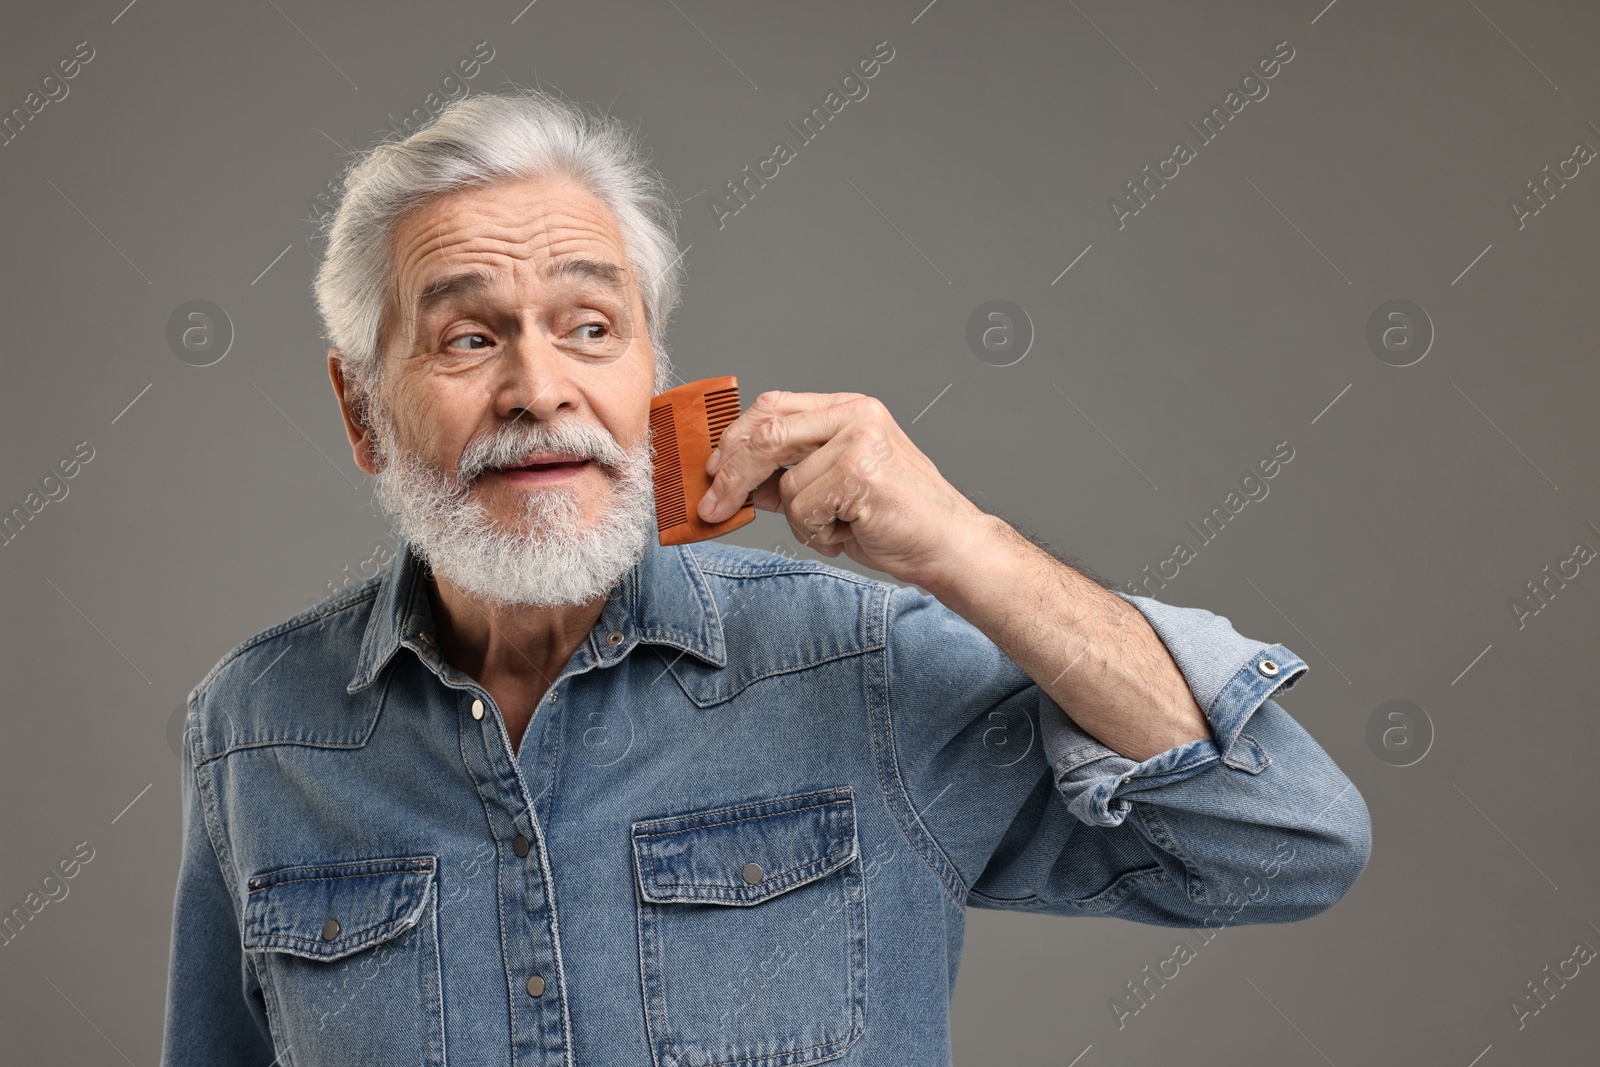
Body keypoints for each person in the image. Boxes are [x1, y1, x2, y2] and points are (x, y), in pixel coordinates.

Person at [160, 88, 1370, 1066]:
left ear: (654, 374)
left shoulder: (865, 668)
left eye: (590, 328)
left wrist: (962, 543)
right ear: (362, 409)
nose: (540, 389)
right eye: (470, 337)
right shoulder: (256, 729)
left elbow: (1284, 841)